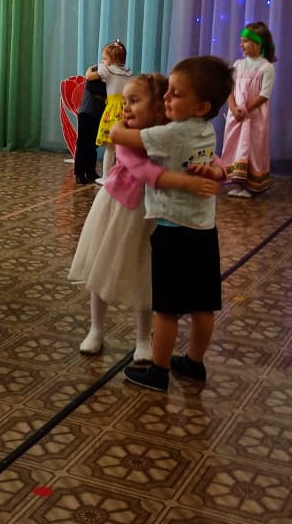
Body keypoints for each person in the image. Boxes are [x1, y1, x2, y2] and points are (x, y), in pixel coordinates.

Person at [70, 73, 222, 362]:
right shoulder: (129, 136)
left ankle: (143, 338)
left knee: (146, 276)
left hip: (152, 216)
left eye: (134, 101)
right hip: (118, 208)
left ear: (159, 108)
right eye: (126, 101)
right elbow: (144, 171)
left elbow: (206, 156)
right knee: (102, 267)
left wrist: (218, 170)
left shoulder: (170, 134)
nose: (126, 107)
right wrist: (185, 182)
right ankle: (96, 329)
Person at [111, 55, 233, 392]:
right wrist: (216, 172)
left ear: (201, 106)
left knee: (165, 309)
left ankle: (159, 371)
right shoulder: (206, 130)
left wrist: (118, 124)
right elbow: (214, 164)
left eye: (175, 94)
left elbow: (122, 138)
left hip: (173, 231)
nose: (165, 98)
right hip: (204, 230)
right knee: (203, 304)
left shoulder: (171, 134)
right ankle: (194, 362)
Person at [222, 22, 277, 197]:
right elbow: (229, 89)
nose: (241, 45)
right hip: (236, 115)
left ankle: (251, 186)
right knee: (236, 146)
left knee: (252, 147)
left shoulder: (266, 68)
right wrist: (233, 108)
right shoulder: (238, 65)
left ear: (258, 44)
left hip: (254, 116)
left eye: (245, 41)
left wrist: (245, 109)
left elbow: (264, 95)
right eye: (241, 41)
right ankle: (238, 183)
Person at [88, 39, 133, 183]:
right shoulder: (127, 72)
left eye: (104, 58)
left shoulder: (106, 70)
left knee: (110, 146)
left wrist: (89, 70)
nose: (103, 61)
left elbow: (89, 77)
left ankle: (106, 177)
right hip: (126, 108)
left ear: (112, 60)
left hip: (113, 109)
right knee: (122, 147)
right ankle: (121, 176)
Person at [73, 75, 106, 184]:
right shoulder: (95, 73)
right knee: (83, 144)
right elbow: (92, 83)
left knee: (93, 145)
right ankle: (79, 173)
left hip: (98, 114)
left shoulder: (107, 76)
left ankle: (90, 172)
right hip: (86, 112)